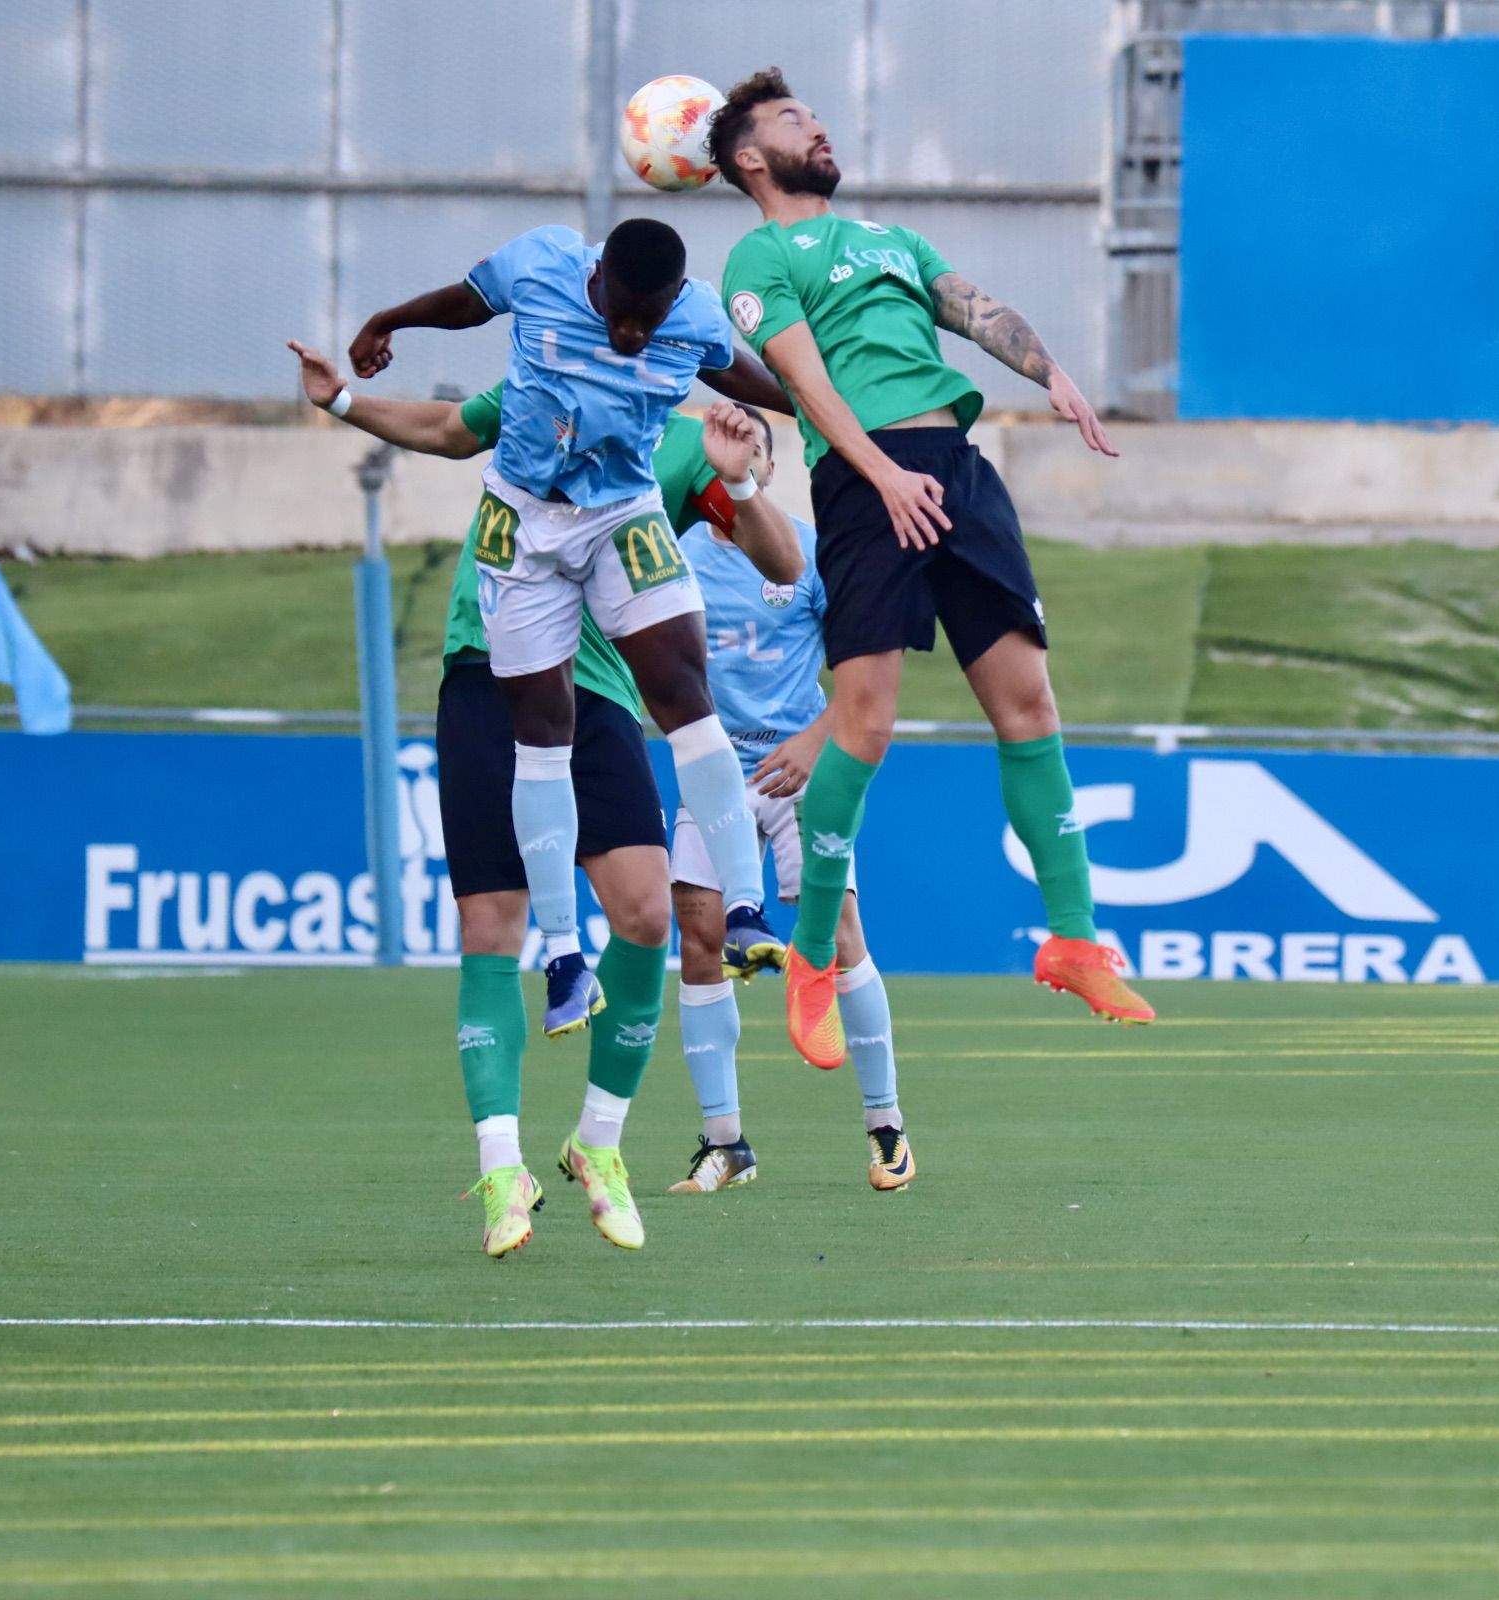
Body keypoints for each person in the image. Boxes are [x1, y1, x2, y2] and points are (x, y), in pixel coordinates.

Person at [287, 339, 799, 1256]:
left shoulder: (681, 444)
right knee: (491, 927)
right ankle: (500, 1169)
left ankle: (598, 1143)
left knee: (648, 917)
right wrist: (343, 402)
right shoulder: (536, 393)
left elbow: (784, 561)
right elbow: (444, 427)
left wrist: (746, 481)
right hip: (486, 677)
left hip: (597, 691)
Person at [704, 69, 1152, 1071]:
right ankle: (814, 958)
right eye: (791, 121)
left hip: (956, 471)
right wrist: (881, 472)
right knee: (863, 724)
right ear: (747, 159)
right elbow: (804, 384)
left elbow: (976, 309)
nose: (814, 127)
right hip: (868, 488)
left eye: (813, 116)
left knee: (1030, 705)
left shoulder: (891, 242)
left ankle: (1075, 941)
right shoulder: (762, 252)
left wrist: (1053, 374)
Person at [665, 407, 913, 1196]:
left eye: (757, 454)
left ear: (769, 471)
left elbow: (864, 678)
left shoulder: (810, 552)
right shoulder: (673, 561)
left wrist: (816, 739)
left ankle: (887, 1128)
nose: (743, 464)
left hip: (803, 767)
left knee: (840, 933)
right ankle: (724, 1142)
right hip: (716, 772)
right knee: (699, 934)